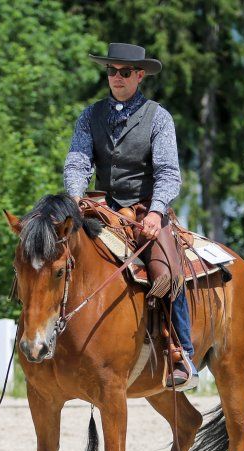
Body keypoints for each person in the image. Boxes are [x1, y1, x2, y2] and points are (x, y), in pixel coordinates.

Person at [63, 42, 197, 390]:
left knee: (165, 268)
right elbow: (78, 161)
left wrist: (155, 213)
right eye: (111, 71)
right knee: (57, 254)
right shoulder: (90, 115)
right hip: (102, 207)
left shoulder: (159, 117)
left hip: (145, 210)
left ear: (139, 75)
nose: (116, 78)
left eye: (124, 72)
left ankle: (181, 352)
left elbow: (168, 173)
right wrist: (76, 196)